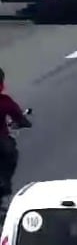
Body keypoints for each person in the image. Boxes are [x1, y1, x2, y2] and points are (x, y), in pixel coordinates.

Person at [0, 68, 32, 204]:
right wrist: (23, 123)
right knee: (10, 153)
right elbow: (21, 119)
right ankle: (3, 185)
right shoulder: (4, 101)